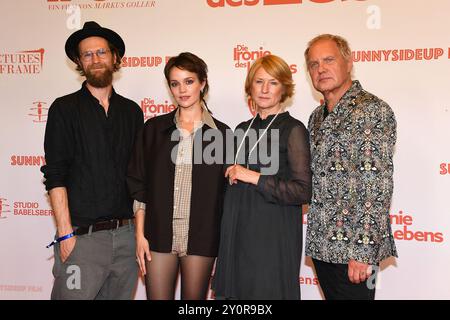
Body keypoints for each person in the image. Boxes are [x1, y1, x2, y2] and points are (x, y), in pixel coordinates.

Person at [41, 21, 143, 299]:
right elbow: (56, 174)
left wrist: (139, 234)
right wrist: (65, 235)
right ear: (79, 61)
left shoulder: (132, 112)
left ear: (114, 57)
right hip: (81, 240)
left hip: (126, 239)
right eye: (87, 54)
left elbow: (139, 178)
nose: (95, 59)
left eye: (101, 52)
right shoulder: (64, 109)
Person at [127, 52, 230, 300]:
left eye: (189, 81)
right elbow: (139, 185)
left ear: (202, 83)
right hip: (158, 235)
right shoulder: (153, 129)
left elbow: (225, 197)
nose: (182, 90)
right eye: (175, 83)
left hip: (201, 238)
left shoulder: (222, 135)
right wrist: (140, 236)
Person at [304, 34, 398, 300]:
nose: (320, 69)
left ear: (348, 62)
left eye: (328, 60)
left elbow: (377, 186)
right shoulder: (316, 117)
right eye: (313, 64)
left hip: (354, 251)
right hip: (322, 246)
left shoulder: (373, 110)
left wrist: (363, 252)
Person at [212, 54, 312, 299]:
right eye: (259, 82)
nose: (265, 89)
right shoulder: (241, 129)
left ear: (284, 89)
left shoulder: (293, 129)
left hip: (272, 237)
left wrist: (253, 176)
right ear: (250, 87)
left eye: (273, 82)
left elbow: (303, 191)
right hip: (237, 235)